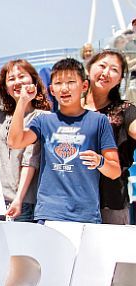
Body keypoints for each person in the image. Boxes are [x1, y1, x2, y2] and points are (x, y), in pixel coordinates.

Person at [7, 58, 121, 224]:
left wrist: (100, 161)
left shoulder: (99, 121)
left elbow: (115, 171)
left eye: (71, 82)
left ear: (84, 86)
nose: (64, 88)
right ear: (52, 90)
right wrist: (23, 101)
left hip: (86, 215)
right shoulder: (43, 121)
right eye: (58, 83)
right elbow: (15, 142)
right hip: (48, 214)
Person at [0, 60, 51, 222]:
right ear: (5, 87)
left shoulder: (42, 117)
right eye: (11, 79)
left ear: (33, 80)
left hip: (24, 201)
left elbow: (31, 160)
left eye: (22, 76)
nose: (17, 82)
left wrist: (18, 199)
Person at [84, 49, 136, 224]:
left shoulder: (125, 110)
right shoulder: (68, 107)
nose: (106, 73)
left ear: (120, 79)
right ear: (88, 68)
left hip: (111, 201)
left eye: (114, 69)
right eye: (102, 65)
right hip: (70, 201)